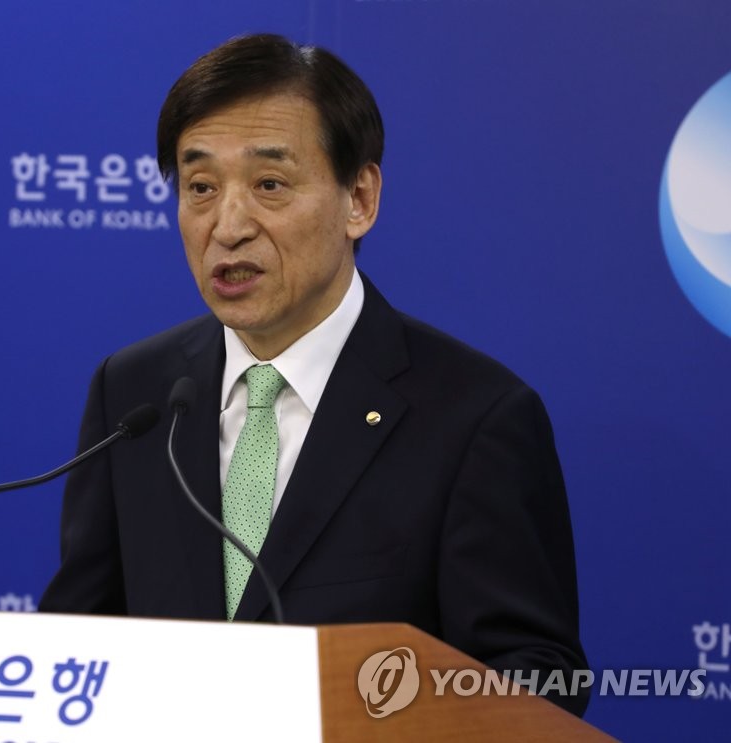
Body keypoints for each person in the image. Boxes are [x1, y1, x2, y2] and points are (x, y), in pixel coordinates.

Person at [39, 33, 588, 716]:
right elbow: (77, 645)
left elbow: (538, 679)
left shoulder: (475, 417)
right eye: (201, 187)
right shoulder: (134, 393)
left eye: (269, 185)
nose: (227, 226)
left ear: (359, 198)